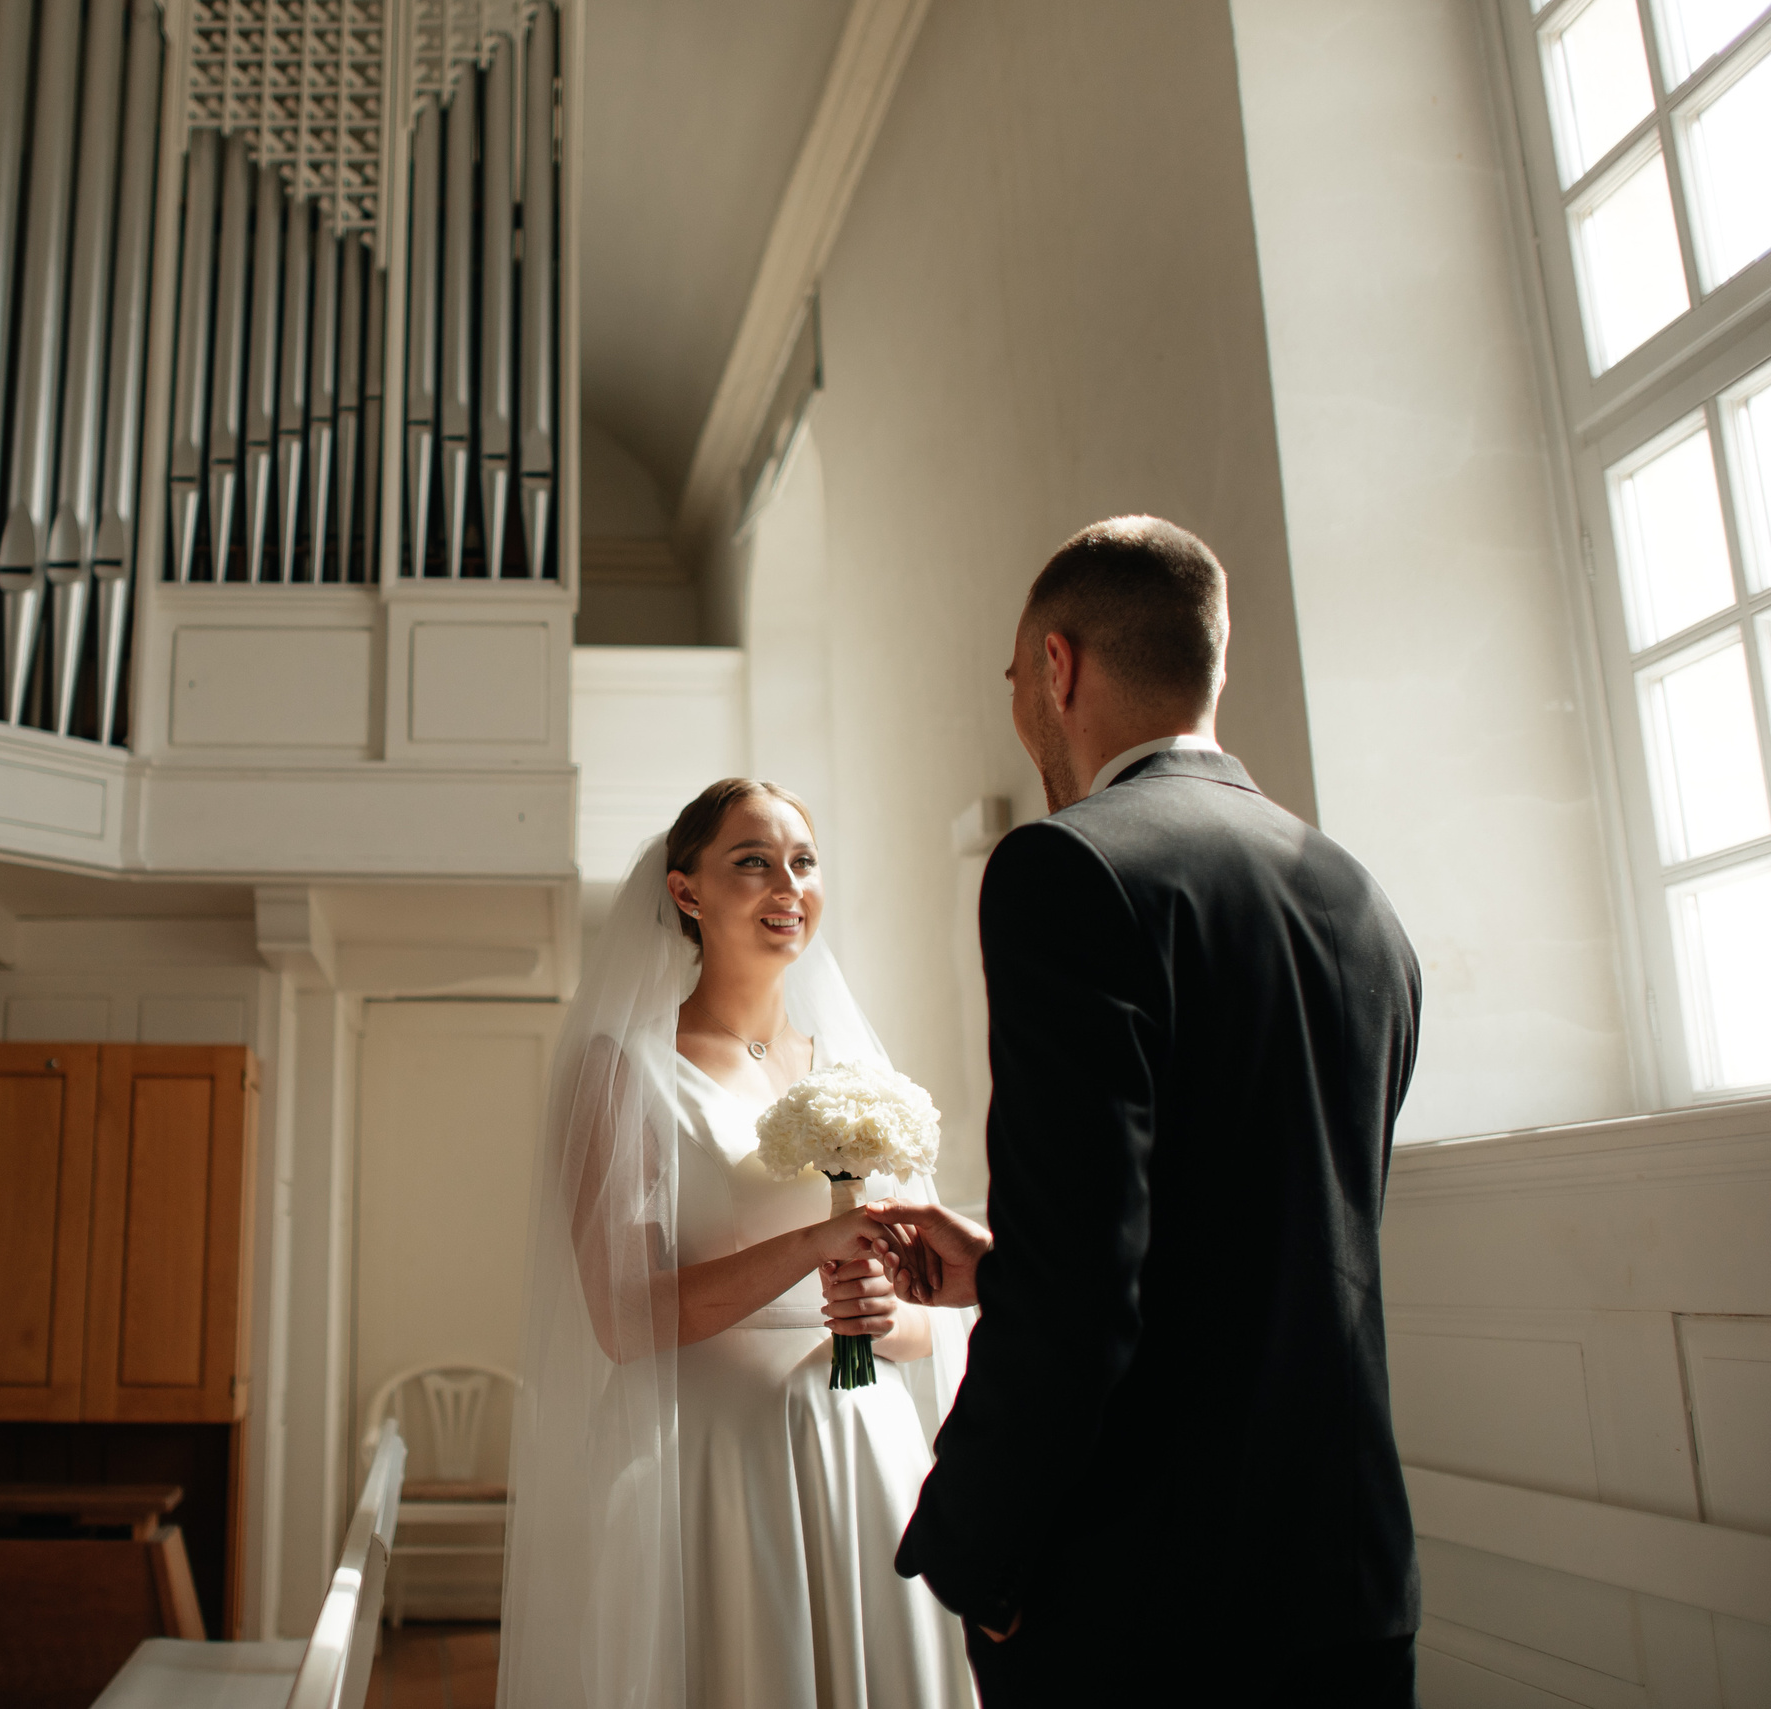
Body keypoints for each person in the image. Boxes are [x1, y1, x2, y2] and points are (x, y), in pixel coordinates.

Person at [868, 517, 1424, 1706]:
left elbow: (1082, 1294)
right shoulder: (1356, 894)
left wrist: (982, 1551)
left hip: (1141, 1597)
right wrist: (1001, 1266)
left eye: (1015, 679)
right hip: (1349, 1573)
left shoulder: (1067, 867)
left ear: (1056, 666)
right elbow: (1268, 1238)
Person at [500, 779, 975, 1709]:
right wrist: (812, 1245)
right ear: (686, 891)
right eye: (753, 862)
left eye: (803, 861)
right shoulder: (625, 1069)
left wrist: (884, 1312)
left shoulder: (858, 1074)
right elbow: (624, 1319)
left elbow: (926, 1321)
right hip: (715, 1461)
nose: (787, 885)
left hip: (864, 1447)